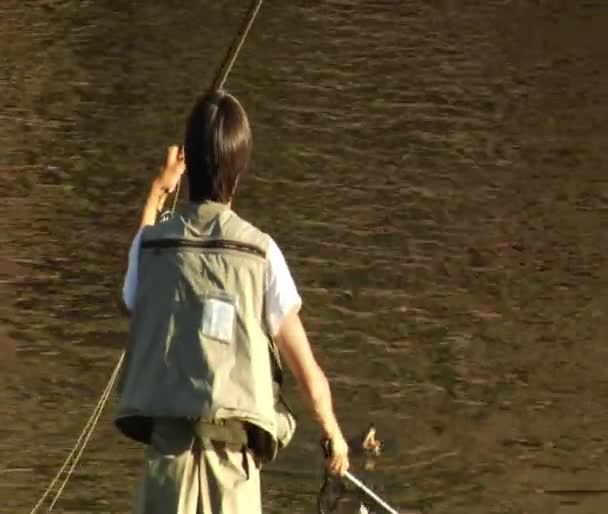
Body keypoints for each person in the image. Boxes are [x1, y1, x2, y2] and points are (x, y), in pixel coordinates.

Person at [115, 89, 349, 514]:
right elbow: (308, 374)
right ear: (238, 172)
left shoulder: (149, 249)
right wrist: (332, 433)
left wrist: (157, 191)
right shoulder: (262, 253)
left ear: (188, 170)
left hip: (167, 465)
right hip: (233, 471)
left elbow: (137, 285)